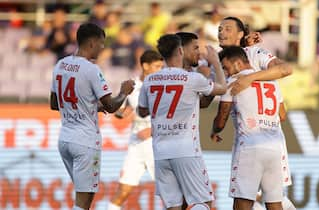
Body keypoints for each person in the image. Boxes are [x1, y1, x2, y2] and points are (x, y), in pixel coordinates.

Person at [50, 23, 135, 210]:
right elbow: (112, 106)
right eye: (101, 43)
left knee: (82, 198)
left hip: (65, 139)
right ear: (92, 43)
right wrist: (123, 92)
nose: (102, 48)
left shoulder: (60, 64)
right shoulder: (91, 69)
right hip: (85, 141)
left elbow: (55, 104)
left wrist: (91, 106)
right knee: (83, 202)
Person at [138, 34, 227, 210]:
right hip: (186, 150)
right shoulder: (192, 79)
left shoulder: (149, 80)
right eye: (194, 48)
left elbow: (142, 111)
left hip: (160, 152)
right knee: (203, 202)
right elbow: (222, 88)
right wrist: (216, 62)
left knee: (173, 206)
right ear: (180, 50)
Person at [211, 46, 289, 210]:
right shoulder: (272, 82)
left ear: (238, 64)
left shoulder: (234, 83)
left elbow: (221, 120)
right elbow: (282, 115)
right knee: (275, 203)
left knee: (242, 203)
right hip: (274, 147)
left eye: (226, 67)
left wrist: (215, 131)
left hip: (250, 147)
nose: (226, 72)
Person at [107, 50, 164, 210]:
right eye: (157, 66)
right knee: (123, 190)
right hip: (136, 144)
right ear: (145, 66)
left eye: (161, 66)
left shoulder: (164, 86)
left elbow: (172, 115)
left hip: (157, 143)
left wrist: (152, 130)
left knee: (168, 192)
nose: (160, 70)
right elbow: (123, 112)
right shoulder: (131, 85)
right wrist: (120, 113)